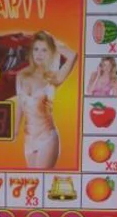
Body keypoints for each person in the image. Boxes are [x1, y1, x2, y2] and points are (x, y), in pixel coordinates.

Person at [13, 30, 77, 169]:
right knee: (34, 178)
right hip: (29, 139)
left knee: (42, 177)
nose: (39, 54)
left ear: (50, 53)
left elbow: (72, 56)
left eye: (44, 50)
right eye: (36, 49)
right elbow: (20, 105)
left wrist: (52, 40)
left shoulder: (53, 78)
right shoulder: (21, 76)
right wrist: (15, 130)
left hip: (47, 138)